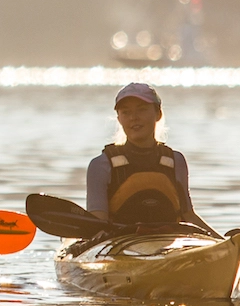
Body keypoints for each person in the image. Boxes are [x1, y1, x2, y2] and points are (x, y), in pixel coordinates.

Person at [86, 82, 212, 231]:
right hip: (119, 245)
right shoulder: (101, 165)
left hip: (170, 245)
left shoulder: (176, 161)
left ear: (158, 114)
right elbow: (97, 224)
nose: (134, 118)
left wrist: (227, 244)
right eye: (126, 112)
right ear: (119, 119)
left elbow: (188, 215)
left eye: (142, 110)